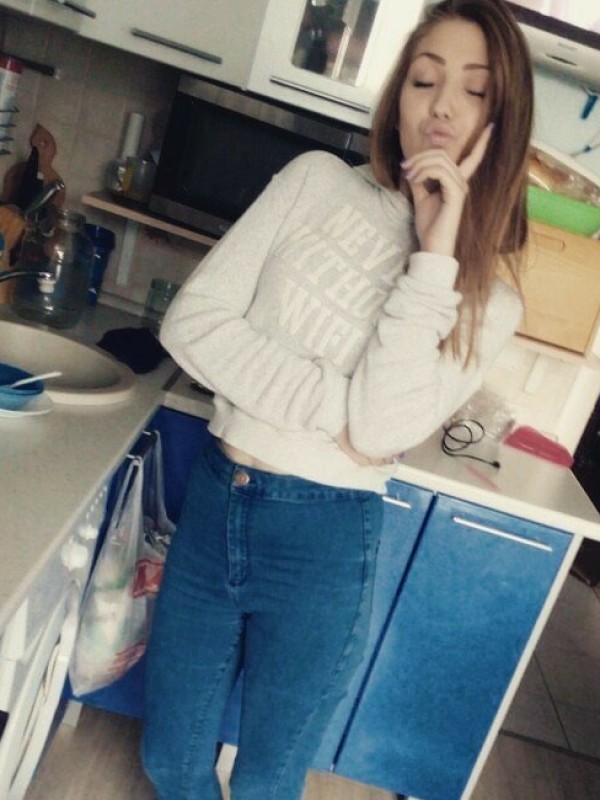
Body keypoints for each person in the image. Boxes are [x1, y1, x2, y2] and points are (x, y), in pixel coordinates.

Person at [142, 1, 533, 798]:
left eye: (474, 91)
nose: (442, 107)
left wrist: (435, 257)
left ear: (504, 120)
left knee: (266, 781)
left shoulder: (488, 302)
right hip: (217, 505)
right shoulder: (315, 182)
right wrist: (338, 411)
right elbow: (191, 325)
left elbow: (384, 430)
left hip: (324, 545)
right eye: (423, 80)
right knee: (170, 760)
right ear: (397, 95)